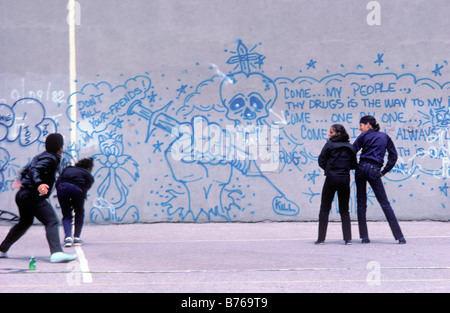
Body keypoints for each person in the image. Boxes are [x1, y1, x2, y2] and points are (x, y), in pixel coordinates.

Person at [0, 133, 77, 262]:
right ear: (60, 148)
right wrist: (39, 184)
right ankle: (56, 253)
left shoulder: (41, 156)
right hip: (32, 196)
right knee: (51, 221)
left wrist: (22, 180)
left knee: (25, 222)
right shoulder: (50, 159)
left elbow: (26, 170)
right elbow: (34, 170)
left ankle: (2, 249)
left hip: (23, 195)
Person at [353, 115, 406, 244]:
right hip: (375, 169)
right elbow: (393, 156)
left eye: (361, 125)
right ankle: (399, 236)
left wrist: (355, 166)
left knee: (361, 203)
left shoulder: (363, 137)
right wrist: (384, 171)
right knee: (385, 203)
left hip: (361, 168)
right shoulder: (384, 137)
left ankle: (364, 237)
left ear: (368, 124)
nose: (359, 128)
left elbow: (352, 151)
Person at [316, 124, 357, 245]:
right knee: (344, 210)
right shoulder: (350, 147)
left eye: (331, 132)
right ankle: (348, 239)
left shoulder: (329, 145)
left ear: (338, 133)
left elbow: (321, 160)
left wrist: (329, 169)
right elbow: (354, 165)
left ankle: (321, 239)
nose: (329, 134)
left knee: (324, 208)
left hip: (331, 178)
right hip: (344, 179)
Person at [56, 157, 94, 247]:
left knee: (66, 214)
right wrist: (81, 195)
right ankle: (76, 237)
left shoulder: (68, 168)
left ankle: (68, 238)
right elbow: (87, 185)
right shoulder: (86, 173)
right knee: (79, 212)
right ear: (88, 168)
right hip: (77, 188)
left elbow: (58, 181)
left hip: (62, 187)